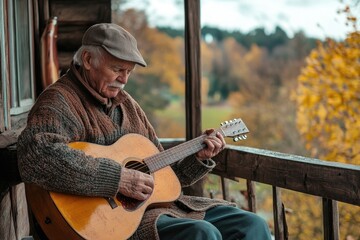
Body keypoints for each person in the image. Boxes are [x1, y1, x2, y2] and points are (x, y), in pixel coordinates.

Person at [17, 23, 272, 240]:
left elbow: (165, 179)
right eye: (117, 69)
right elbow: (36, 157)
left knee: (252, 225)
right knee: (201, 234)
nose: (124, 79)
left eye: (129, 72)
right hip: (108, 224)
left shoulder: (128, 105)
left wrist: (197, 159)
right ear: (88, 60)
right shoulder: (59, 101)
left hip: (160, 209)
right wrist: (118, 179)